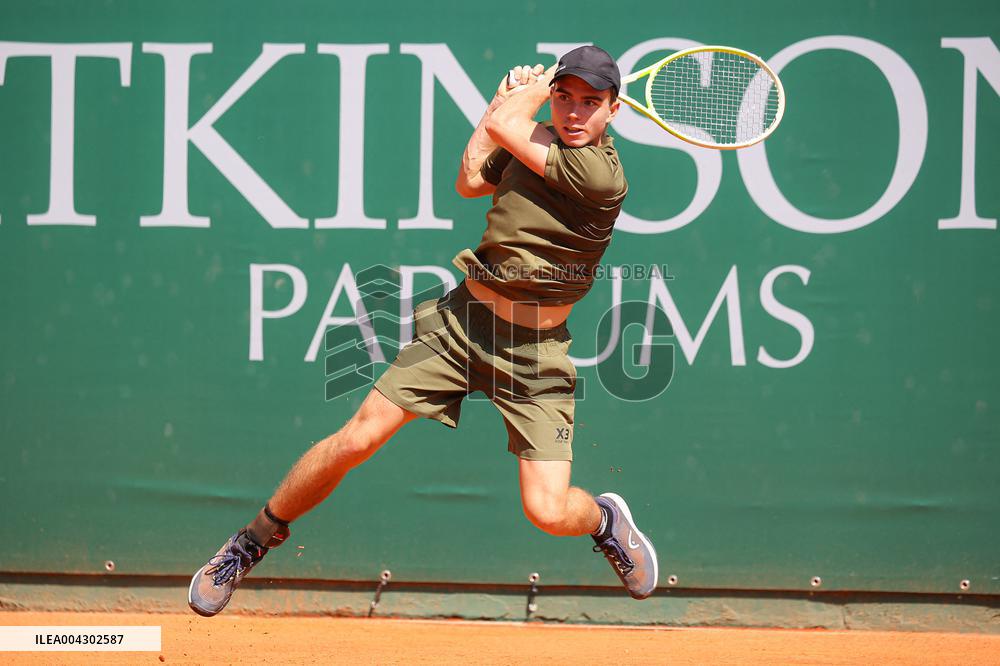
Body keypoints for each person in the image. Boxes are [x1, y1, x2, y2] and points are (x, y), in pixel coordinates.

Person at [188, 45, 658, 618]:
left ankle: (605, 521)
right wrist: (500, 104)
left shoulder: (600, 173)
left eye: (591, 102)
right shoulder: (531, 140)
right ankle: (250, 541)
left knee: (548, 510)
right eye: (565, 97)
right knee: (357, 437)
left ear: (615, 109)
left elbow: (508, 125)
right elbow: (468, 179)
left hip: (535, 352)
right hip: (462, 323)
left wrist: (523, 95)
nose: (574, 113)